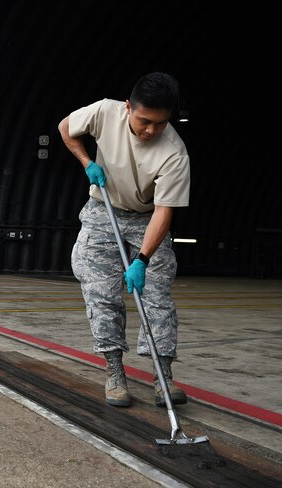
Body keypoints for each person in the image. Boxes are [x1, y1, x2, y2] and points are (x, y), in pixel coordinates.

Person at [57, 72, 190, 408]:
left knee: (157, 296)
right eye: (144, 121)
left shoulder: (174, 153)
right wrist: (87, 162)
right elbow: (65, 128)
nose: (150, 131)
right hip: (103, 210)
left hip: (147, 218)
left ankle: (163, 376)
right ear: (128, 107)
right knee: (101, 294)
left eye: (160, 124)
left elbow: (164, 212)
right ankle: (115, 371)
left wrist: (142, 260)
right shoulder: (105, 112)